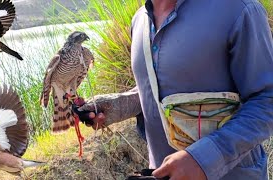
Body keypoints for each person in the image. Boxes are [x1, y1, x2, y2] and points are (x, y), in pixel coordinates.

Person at [78, 0, 273, 179]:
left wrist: (203, 158)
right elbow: (156, 88)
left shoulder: (238, 9)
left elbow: (267, 99)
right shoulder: (139, 21)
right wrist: (119, 105)